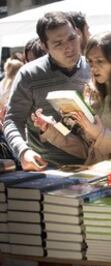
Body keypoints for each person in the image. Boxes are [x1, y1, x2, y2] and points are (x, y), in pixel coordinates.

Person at [32, 32, 111, 165]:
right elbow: (88, 149)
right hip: (98, 176)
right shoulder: (92, 92)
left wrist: (101, 135)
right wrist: (50, 129)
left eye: (100, 61)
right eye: (90, 62)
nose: (93, 68)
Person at [3, 11, 91, 171]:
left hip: (93, 163)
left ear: (78, 33)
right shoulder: (28, 74)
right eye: (58, 43)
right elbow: (12, 120)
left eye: (72, 38)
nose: (69, 47)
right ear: (45, 46)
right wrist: (23, 152)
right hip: (46, 169)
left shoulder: (93, 68)